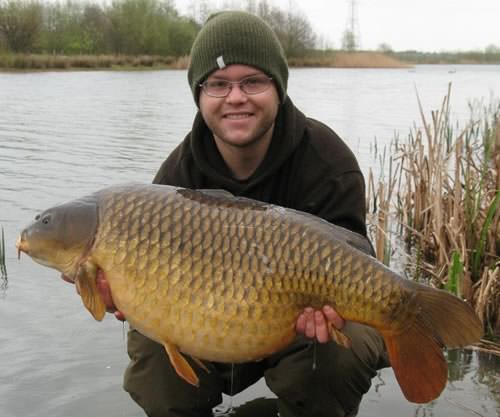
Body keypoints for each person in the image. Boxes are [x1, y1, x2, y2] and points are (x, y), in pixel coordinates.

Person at [92, 10, 389, 417]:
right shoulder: (177, 175)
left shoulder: (329, 162)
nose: (235, 97)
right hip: (208, 322)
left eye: (252, 81)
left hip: (298, 328)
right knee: (153, 355)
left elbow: (358, 262)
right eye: (218, 84)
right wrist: (132, 296)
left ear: (278, 88)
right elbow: (145, 290)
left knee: (343, 348)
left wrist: (331, 313)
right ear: (199, 94)